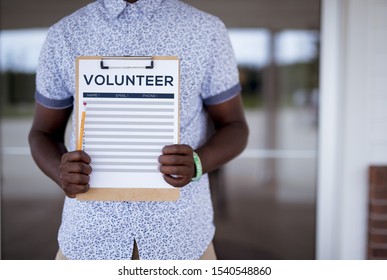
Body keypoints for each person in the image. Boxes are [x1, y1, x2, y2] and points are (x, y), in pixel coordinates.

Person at [29, 0, 248, 260]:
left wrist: (199, 162)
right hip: (88, 242)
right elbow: (42, 133)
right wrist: (59, 171)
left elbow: (235, 126)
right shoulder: (64, 34)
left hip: (182, 240)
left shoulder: (206, 30)